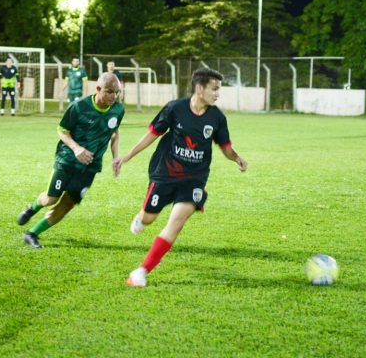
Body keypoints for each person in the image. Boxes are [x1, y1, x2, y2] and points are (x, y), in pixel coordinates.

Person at [113, 67, 248, 287]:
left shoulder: (217, 117)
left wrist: (237, 158)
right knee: (148, 218)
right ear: (199, 88)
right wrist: (127, 156)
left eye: (218, 90)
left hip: (194, 179)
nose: (217, 94)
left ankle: (141, 271)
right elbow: (152, 134)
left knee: (176, 223)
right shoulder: (175, 108)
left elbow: (225, 147)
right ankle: (140, 219)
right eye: (214, 89)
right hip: (165, 174)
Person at [16, 72, 124, 248]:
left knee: (68, 203)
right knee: (51, 199)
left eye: (117, 92)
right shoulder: (79, 107)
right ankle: (32, 207)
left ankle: (31, 234)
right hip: (67, 160)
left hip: (90, 167)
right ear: (98, 89)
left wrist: (115, 157)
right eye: (109, 92)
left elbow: (114, 133)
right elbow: (62, 130)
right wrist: (76, 148)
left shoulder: (118, 110)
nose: (114, 96)